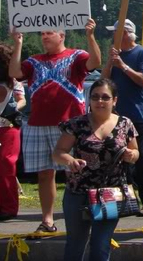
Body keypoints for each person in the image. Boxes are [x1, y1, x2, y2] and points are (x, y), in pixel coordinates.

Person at [9, 20, 101, 234]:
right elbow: (14, 71)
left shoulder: (76, 56)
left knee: (76, 172)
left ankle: (80, 219)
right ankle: (47, 219)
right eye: (42, 34)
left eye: (49, 33)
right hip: (38, 123)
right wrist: (18, 43)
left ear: (62, 36)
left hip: (69, 125)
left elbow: (95, 62)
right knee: (44, 174)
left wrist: (90, 36)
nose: (44, 37)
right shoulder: (33, 61)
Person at [53, 78, 139, 261]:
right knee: (75, 246)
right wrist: (70, 160)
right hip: (78, 192)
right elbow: (58, 152)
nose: (100, 101)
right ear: (90, 100)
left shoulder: (125, 124)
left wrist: (131, 155)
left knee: (101, 246)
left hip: (109, 194)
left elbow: (136, 151)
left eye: (105, 97)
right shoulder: (77, 124)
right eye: (95, 97)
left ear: (114, 100)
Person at [102, 19, 143, 216]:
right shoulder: (115, 55)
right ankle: (126, 199)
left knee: (141, 157)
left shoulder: (142, 52)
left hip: (138, 114)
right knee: (119, 158)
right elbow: (104, 80)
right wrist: (111, 61)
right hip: (117, 115)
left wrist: (123, 66)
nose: (112, 36)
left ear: (126, 33)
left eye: (116, 32)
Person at [0, 44, 26, 220]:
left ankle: (9, 208)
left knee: (6, 165)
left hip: (8, 127)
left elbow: (22, 100)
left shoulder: (13, 82)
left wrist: (14, 108)